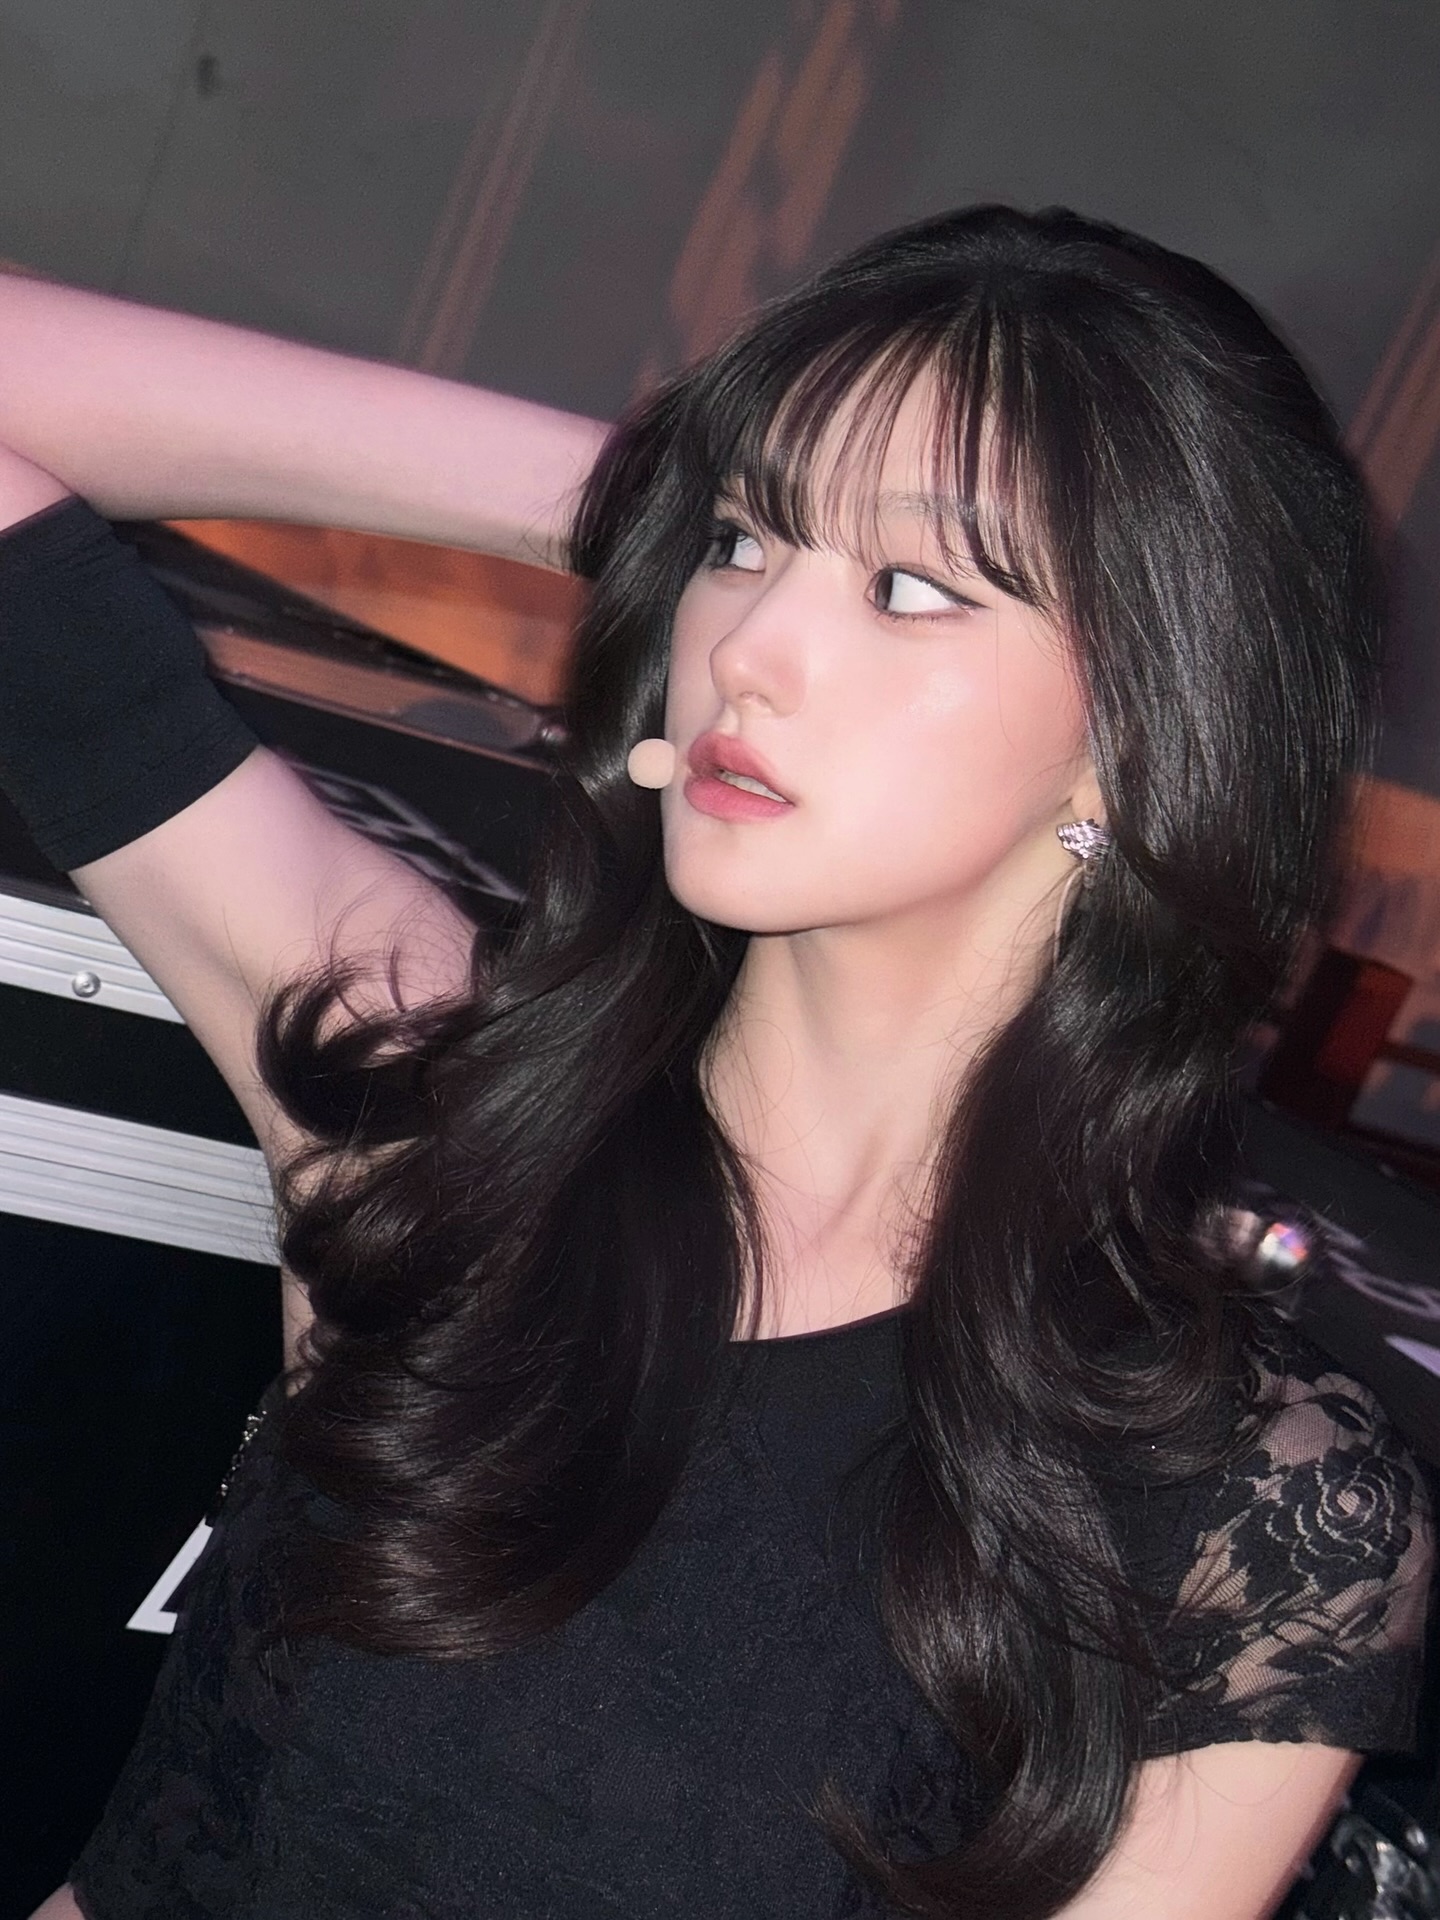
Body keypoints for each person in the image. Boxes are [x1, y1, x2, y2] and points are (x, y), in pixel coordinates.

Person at [1, 204, 1431, 1920]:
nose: (746, 649)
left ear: (1139, 729)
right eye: (744, 546)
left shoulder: (1251, 1511)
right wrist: (657, 492)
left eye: (911, 589)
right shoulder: (449, 1117)